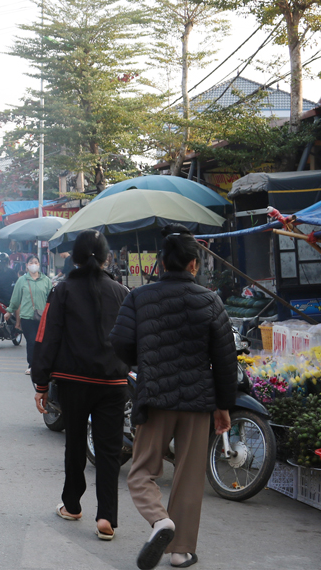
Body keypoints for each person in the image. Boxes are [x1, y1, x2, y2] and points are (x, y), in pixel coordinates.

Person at [109, 225, 236, 570]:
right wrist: (223, 406)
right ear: (194, 264)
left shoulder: (139, 297)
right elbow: (225, 359)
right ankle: (181, 551)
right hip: (198, 400)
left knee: (141, 472)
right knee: (189, 477)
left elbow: (119, 341)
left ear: (162, 262)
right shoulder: (210, 301)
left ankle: (160, 520)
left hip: (155, 395)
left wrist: (144, 359)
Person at [31, 230, 131, 542]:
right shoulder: (122, 292)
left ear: (73, 257)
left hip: (74, 382)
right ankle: (106, 517)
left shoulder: (62, 290)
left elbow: (48, 337)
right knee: (109, 450)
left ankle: (72, 505)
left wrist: (41, 383)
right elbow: (131, 339)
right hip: (113, 382)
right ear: (106, 258)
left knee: (75, 443)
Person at [5, 255, 51, 374]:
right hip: (27, 317)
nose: (33, 264)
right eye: (31, 262)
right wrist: (9, 311)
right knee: (31, 341)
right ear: (26, 265)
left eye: (36, 262)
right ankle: (32, 365)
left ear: (39, 264)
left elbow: (51, 299)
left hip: (43, 317)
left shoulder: (46, 280)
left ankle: (41, 365)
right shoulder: (22, 280)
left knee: (42, 342)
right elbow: (16, 298)